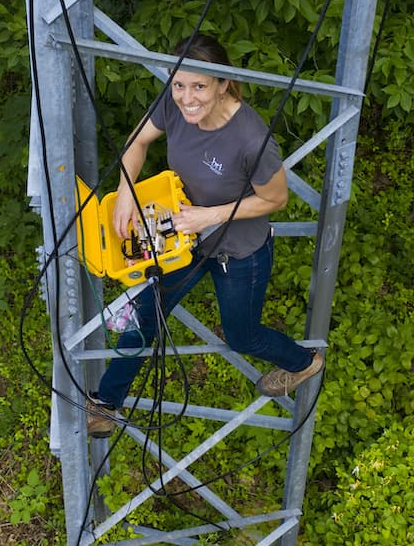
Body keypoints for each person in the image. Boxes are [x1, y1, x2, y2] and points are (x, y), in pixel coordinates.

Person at [87, 33, 324, 437]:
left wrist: (208, 216)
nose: (186, 97)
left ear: (223, 83)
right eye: (179, 84)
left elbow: (275, 199)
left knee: (241, 335)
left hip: (239, 253)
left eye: (198, 86)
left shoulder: (250, 138)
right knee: (147, 313)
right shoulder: (176, 102)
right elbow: (140, 139)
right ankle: (107, 402)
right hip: (185, 240)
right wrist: (126, 190)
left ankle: (304, 363)